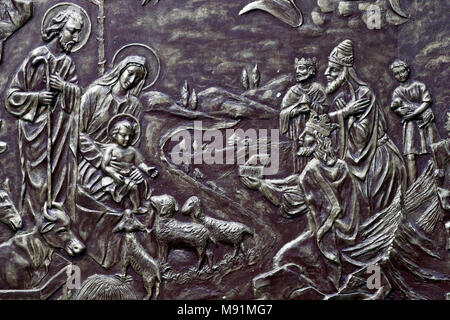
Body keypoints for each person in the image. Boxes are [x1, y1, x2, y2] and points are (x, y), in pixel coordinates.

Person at [242, 112, 368, 298]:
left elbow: (293, 203)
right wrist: (271, 183)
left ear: (317, 140)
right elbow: (297, 183)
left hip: (321, 236)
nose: (301, 138)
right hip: (347, 232)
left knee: (283, 259)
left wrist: (261, 186)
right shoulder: (341, 167)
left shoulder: (312, 170)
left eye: (307, 134)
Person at [5, 8, 84, 225]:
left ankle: (53, 213)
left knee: (57, 174)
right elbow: (12, 96)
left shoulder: (67, 63)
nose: (75, 38)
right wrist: (39, 97)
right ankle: (35, 218)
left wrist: (65, 87)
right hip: (36, 130)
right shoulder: (37, 57)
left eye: (78, 33)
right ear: (58, 30)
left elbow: (76, 95)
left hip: (59, 131)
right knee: (37, 175)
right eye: (72, 32)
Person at [76, 55, 150, 269]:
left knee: (138, 187)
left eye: (138, 77)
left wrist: (134, 168)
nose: (132, 79)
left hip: (121, 163)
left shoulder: (134, 105)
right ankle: (98, 255)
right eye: (130, 73)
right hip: (91, 163)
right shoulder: (95, 93)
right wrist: (100, 161)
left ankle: (129, 257)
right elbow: (77, 133)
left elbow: (131, 146)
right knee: (107, 197)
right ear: (121, 69)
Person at [325, 39, 406, 216]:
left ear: (345, 71)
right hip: (366, 162)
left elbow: (362, 137)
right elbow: (328, 124)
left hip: (379, 164)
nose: (326, 73)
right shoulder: (346, 96)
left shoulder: (364, 94)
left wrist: (346, 116)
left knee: (381, 218)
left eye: (333, 69)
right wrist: (344, 113)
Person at [389, 59, 439, 185]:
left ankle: (437, 181)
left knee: (433, 151)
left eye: (402, 71)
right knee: (410, 155)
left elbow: (426, 102)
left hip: (426, 124)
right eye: (397, 73)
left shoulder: (419, 86)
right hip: (410, 126)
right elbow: (396, 108)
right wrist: (403, 112)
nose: (400, 75)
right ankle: (414, 186)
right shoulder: (397, 92)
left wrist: (414, 113)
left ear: (408, 70)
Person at [101, 117, 158, 214]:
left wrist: (147, 170)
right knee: (133, 187)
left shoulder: (132, 150)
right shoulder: (111, 149)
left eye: (130, 136)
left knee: (137, 185)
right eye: (123, 135)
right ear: (115, 134)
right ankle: (136, 207)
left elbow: (140, 163)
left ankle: (136, 207)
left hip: (129, 176)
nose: (127, 139)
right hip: (116, 178)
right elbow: (104, 166)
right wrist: (114, 175)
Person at [280, 57, 326, 173]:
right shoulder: (292, 91)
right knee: (299, 162)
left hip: (314, 135)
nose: (297, 72)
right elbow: (283, 112)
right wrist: (297, 110)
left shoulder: (318, 89)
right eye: (297, 69)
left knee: (315, 163)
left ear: (310, 70)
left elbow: (326, 111)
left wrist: (311, 105)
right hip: (297, 133)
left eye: (301, 69)